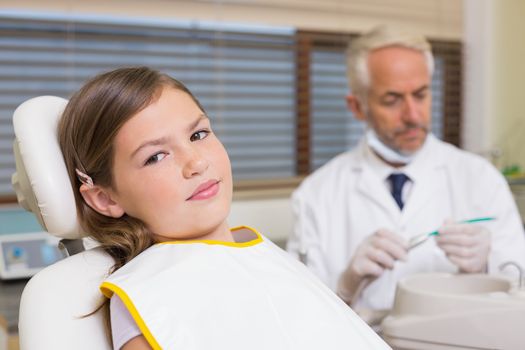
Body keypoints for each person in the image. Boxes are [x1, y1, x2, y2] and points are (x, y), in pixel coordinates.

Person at [57, 67, 390, 350]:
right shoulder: (149, 296)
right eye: (156, 156)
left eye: (199, 134)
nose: (197, 163)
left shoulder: (258, 251)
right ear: (106, 199)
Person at [287, 26, 525, 317]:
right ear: (357, 107)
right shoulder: (316, 194)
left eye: (421, 95)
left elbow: (519, 296)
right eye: (392, 99)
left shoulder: (481, 179)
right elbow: (297, 315)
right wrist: (345, 286)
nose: (413, 115)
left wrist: (486, 266)